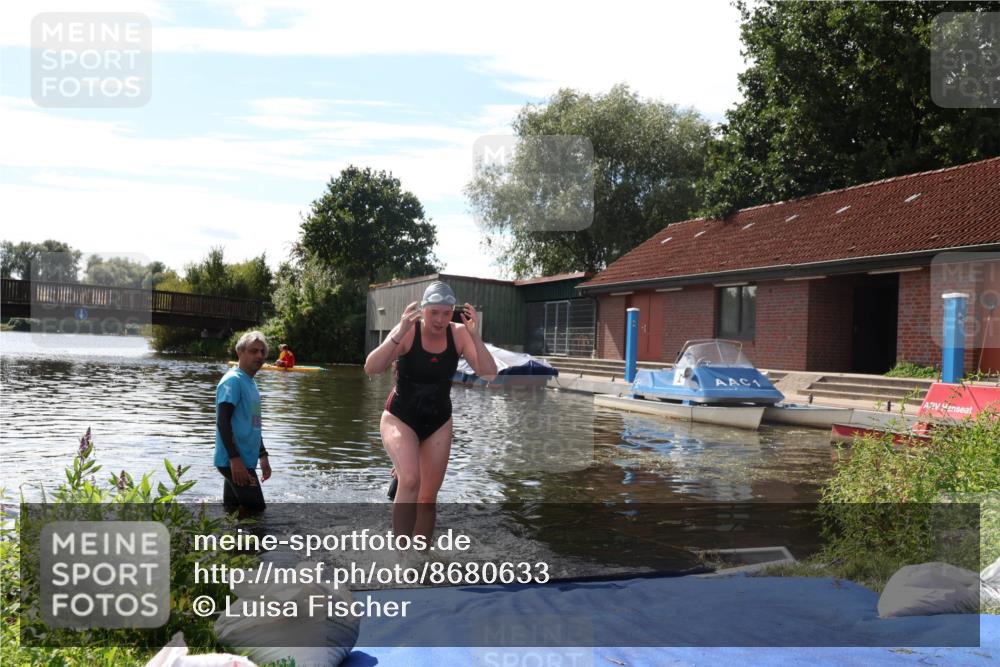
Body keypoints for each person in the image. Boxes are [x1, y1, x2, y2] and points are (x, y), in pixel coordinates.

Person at [364, 281, 497, 540]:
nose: (439, 319)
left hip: (438, 421)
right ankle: (401, 557)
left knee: (427, 500)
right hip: (400, 417)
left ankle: (421, 560)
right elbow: (371, 368)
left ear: (452, 313)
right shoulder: (409, 331)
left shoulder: (458, 334)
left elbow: (489, 374)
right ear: (423, 310)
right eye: (434, 312)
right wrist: (398, 332)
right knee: (411, 480)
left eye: (446, 313)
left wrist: (476, 337)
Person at [215, 330, 273, 515]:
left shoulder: (250, 382)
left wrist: (262, 455)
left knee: (232, 512)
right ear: (240, 353)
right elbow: (222, 422)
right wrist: (235, 459)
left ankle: (231, 544)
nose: (259, 356)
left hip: (244, 459)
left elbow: (254, 424)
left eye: (262, 352)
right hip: (234, 460)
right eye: (253, 351)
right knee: (257, 512)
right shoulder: (233, 381)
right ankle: (250, 545)